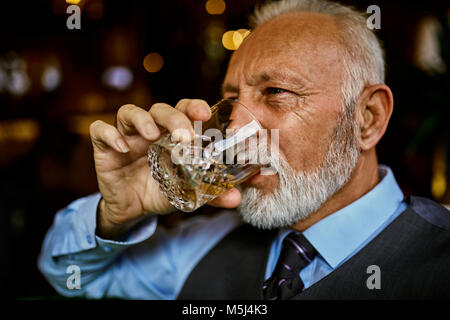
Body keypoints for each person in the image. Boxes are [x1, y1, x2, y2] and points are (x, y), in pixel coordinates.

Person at [38, 0, 450, 300]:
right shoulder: (202, 244)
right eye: (230, 101)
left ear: (368, 118)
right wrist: (116, 215)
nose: (232, 128)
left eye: (276, 92)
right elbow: (74, 279)